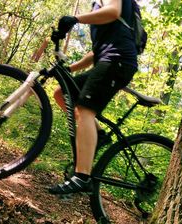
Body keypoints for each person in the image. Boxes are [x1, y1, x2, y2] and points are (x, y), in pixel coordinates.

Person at [49, 0, 138, 194]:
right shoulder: (98, 7)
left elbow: (113, 12)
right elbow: (96, 52)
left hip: (118, 60)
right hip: (108, 59)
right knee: (61, 93)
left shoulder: (108, 5)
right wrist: (70, 69)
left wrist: (75, 18)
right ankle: (99, 135)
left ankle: (82, 177)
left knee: (84, 110)